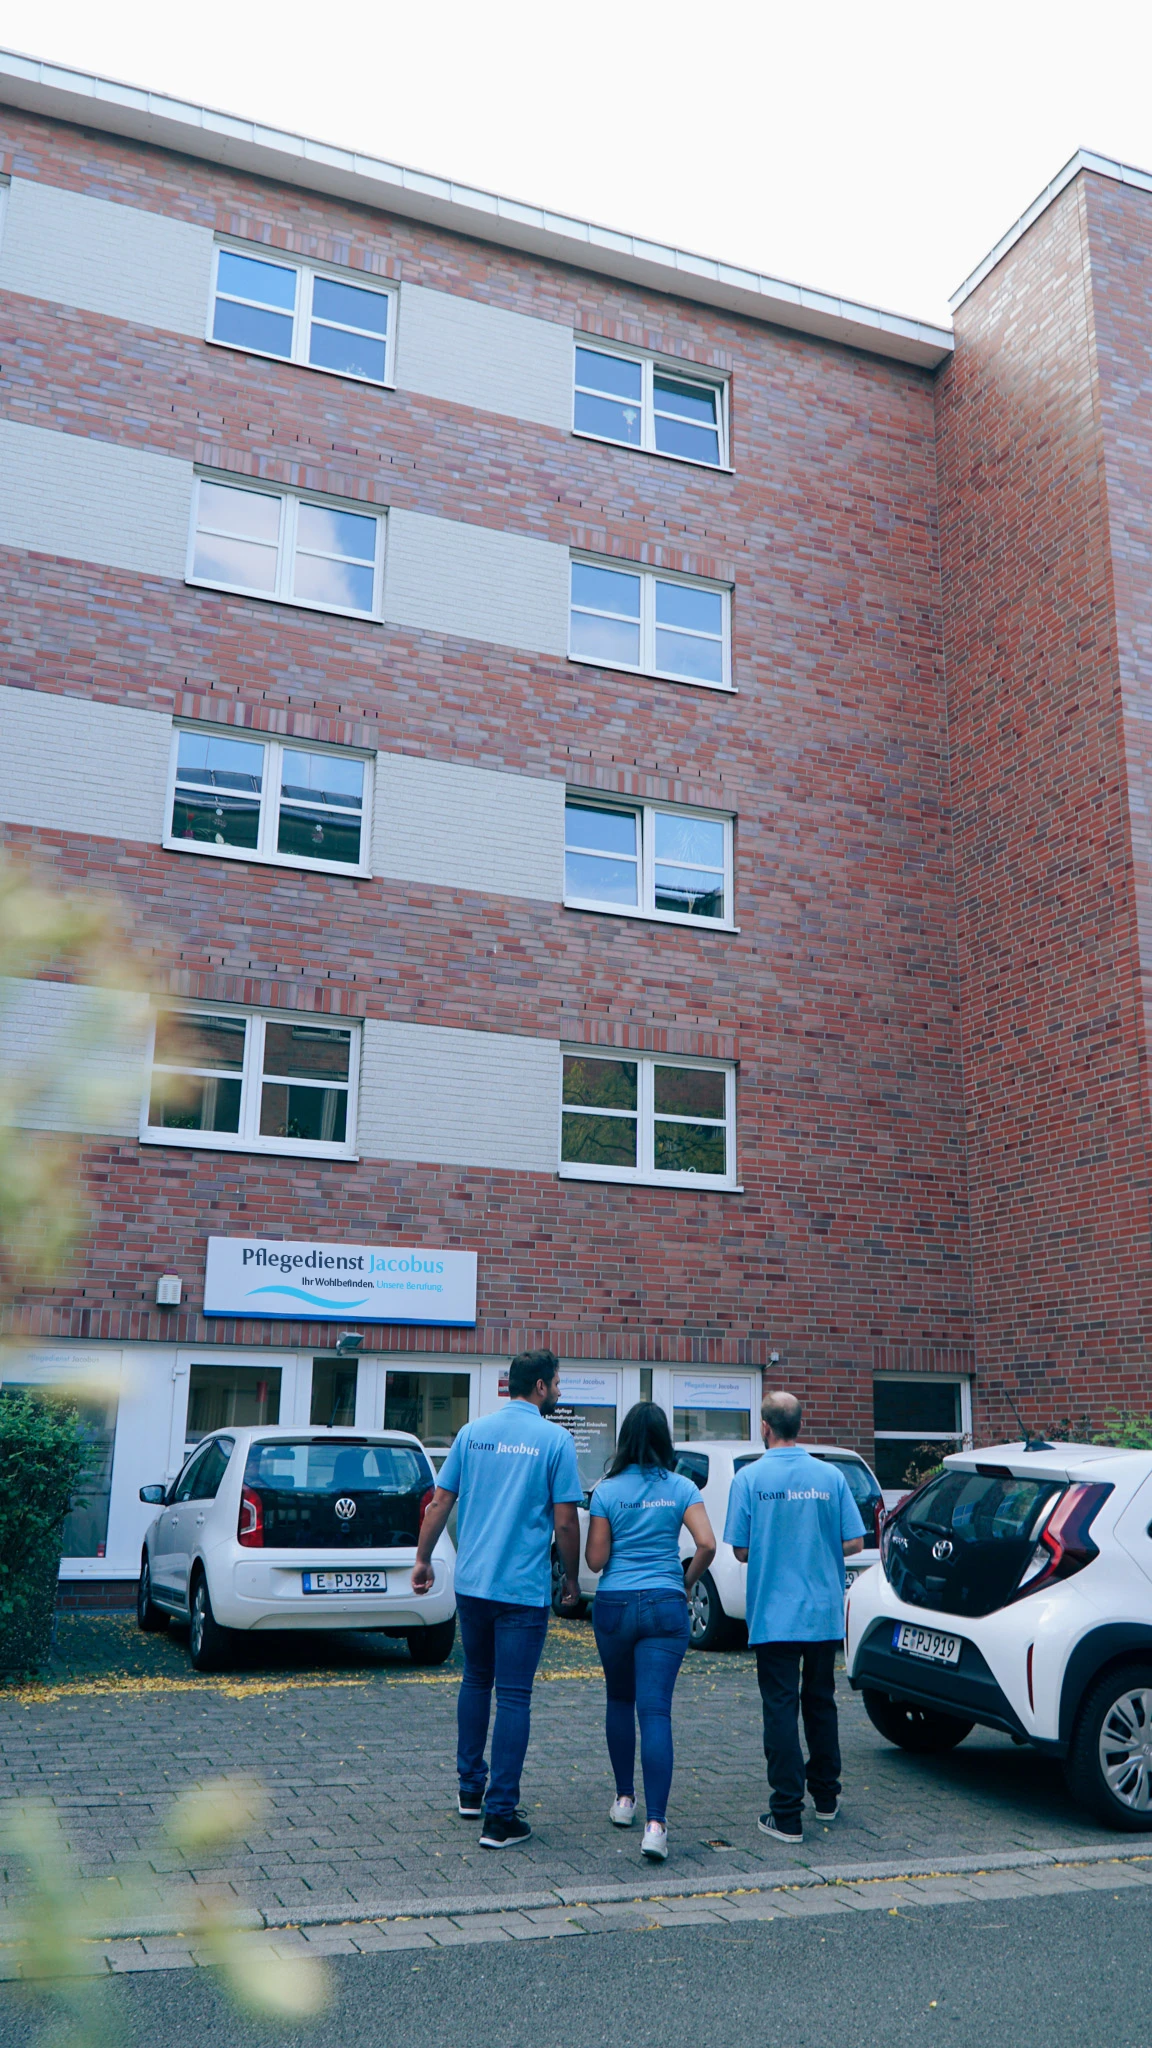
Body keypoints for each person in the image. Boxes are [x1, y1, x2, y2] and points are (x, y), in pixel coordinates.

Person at [412, 1348, 583, 1849]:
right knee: (513, 1695)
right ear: (540, 1388)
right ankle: (500, 1814)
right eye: (558, 1383)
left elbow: (440, 1502)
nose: (560, 1391)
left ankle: (470, 1791)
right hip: (522, 1590)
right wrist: (569, 1580)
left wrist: (421, 1560)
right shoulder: (555, 1440)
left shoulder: (470, 1433)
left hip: (473, 1584)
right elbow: (567, 1520)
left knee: (475, 1680)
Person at [723, 1389, 864, 1846]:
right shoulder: (830, 1476)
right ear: (798, 1424)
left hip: (774, 1613)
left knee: (780, 1707)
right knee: (821, 1703)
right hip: (822, 1611)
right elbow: (855, 1543)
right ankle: (826, 1798)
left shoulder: (749, 1478)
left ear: (765, 1426)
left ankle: (786, 1813)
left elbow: (741, 1549)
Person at [584, 1401, 716, 1862]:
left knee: (619, 1700)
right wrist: (684, 1583)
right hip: (664, 1605)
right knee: (655, 1713)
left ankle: (624, 1802)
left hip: (616, 1606)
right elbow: (706, 1544)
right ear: (664, 1439)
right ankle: (656, 1826)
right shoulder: (682, 1487)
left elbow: (595, 1561)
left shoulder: (605, 1490)